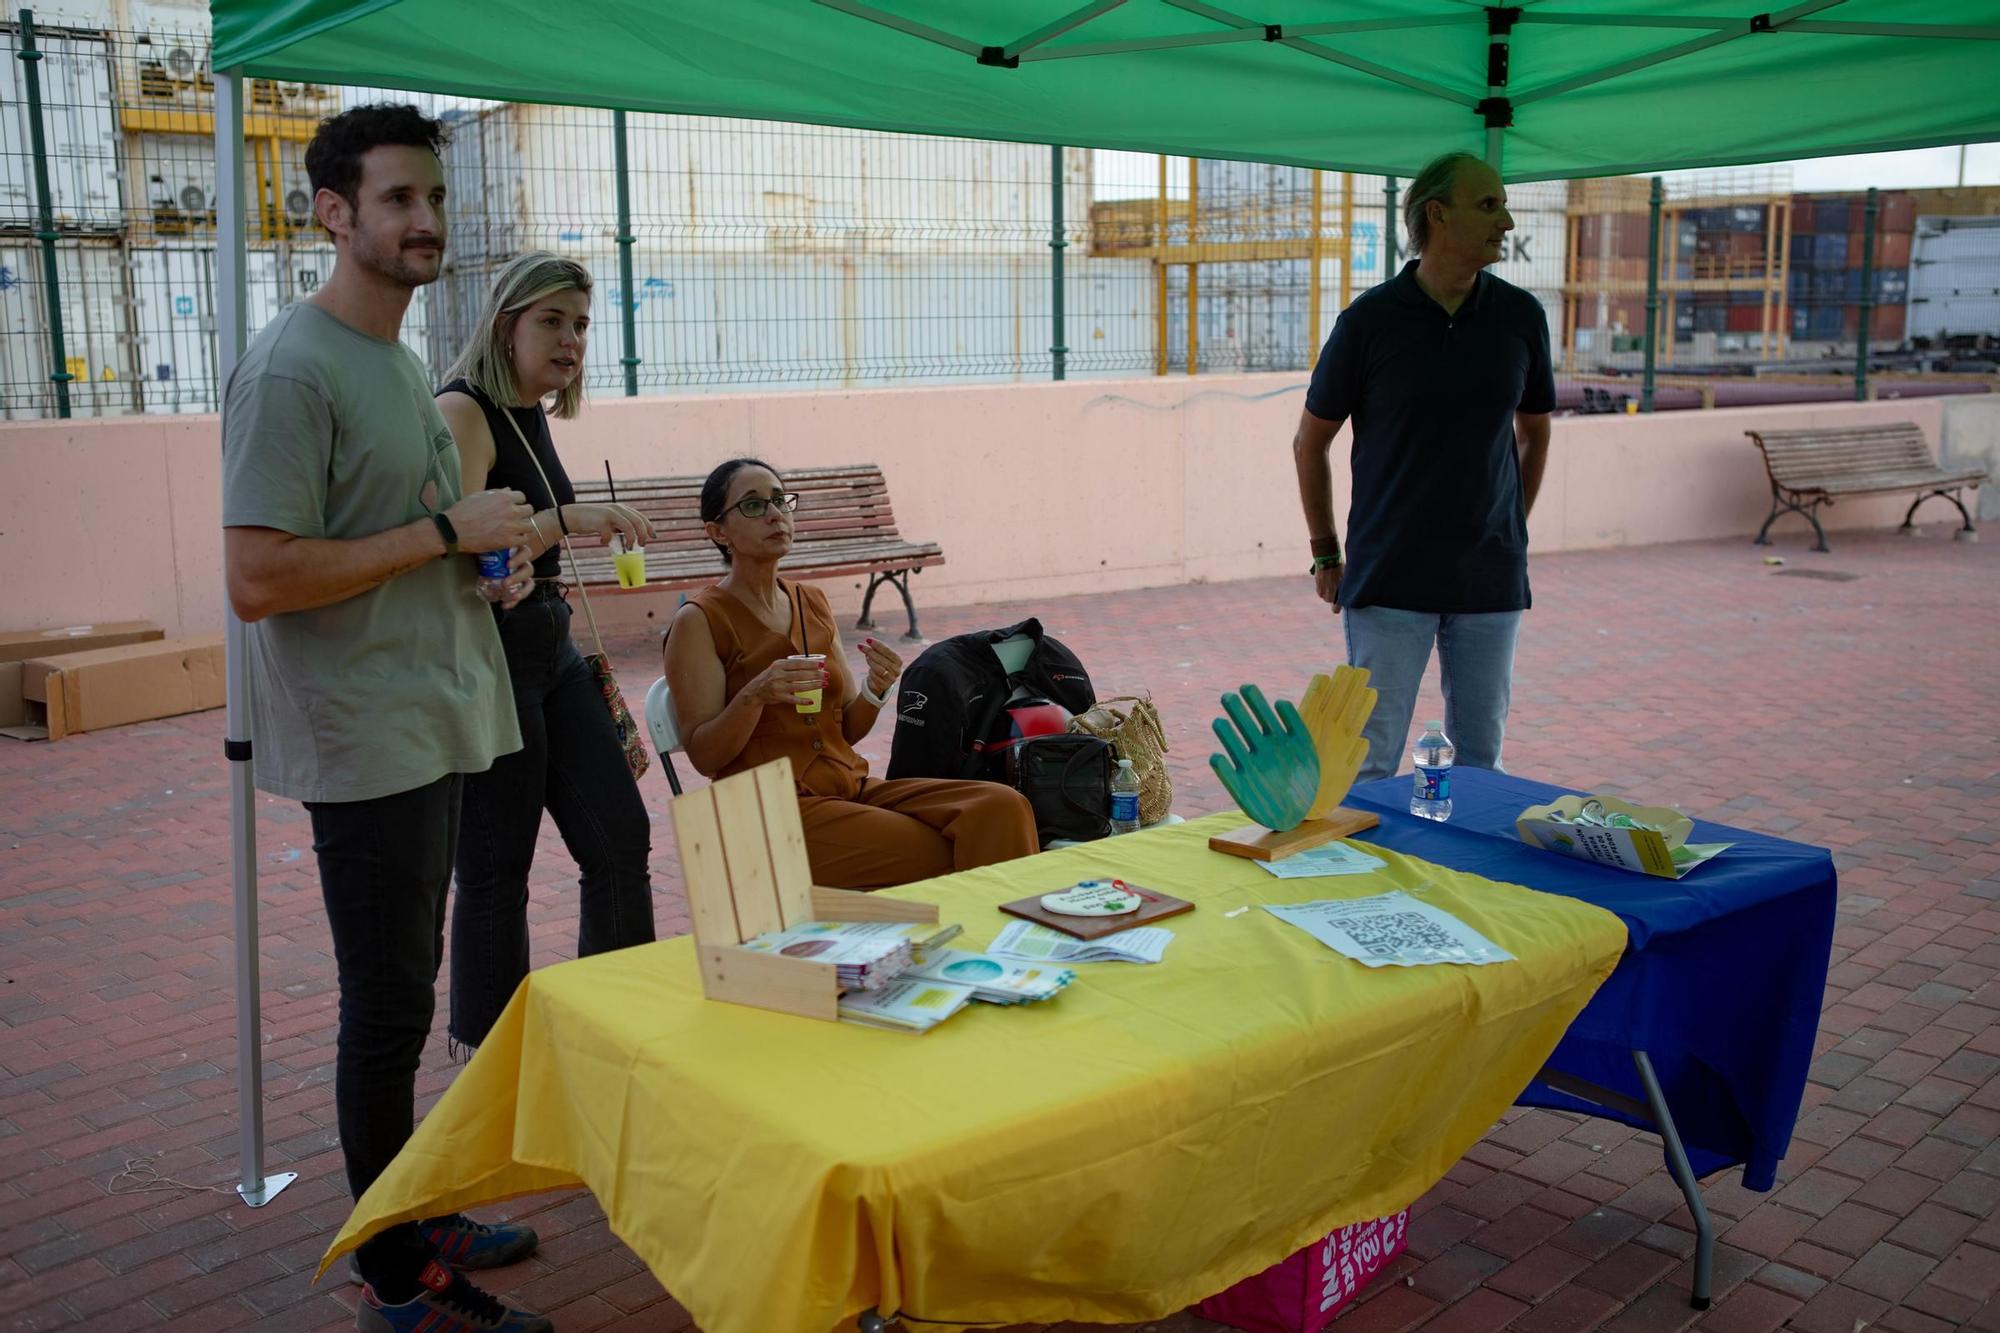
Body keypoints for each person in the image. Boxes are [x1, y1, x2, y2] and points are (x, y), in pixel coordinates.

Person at [220, 104, 552, 1333]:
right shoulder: (293, 365)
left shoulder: (401, 361)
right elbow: (258, 577)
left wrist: (482, 564)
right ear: (332, 213)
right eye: (396, 199)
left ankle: (410, 1207)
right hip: (365, 740)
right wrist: (441, 533)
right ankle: (396, 1277)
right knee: (387, 1007)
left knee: (405, 993)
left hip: (436, 718)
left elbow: (408, 537)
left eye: (433, 199)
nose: (423, 222)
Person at [435, 252, 658, 1053]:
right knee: (498, 868)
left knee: (620, 837)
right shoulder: (463, 411)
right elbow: (467, 548)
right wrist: (571, 520)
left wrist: (565, 527)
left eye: (582, 325)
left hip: (552, 654)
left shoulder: (529, 410)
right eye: (552, 321)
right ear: (507, 326)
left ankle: (618, 1023)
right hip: (490, 665)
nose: (572, 341)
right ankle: (488, 1059)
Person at [1292, 150, 1554, 782]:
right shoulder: (1369, 322)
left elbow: (1534, 432)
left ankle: (1462, 880)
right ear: (1436, 214)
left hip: (1488, 581)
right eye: (1489, 204)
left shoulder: (1521, 317)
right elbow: (1310, 443)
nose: (1507, 221)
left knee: (1480, 762)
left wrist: (1509, 527)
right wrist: (1327, 553)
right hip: (1390, 577)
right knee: (1371, 764)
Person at [662, 459, 1040, 887]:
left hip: (847, 788)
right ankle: (988, 944)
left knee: (1001, 808)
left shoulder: (812, 602)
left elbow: (846, 729)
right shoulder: (698, 620)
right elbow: (704, 755)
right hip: (766, 812)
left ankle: (995, 943)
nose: (774, 514)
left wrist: (875, 691)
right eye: (752, 506)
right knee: (939, 849)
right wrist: (754, 695)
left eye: (780, 500)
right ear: (717, 531)